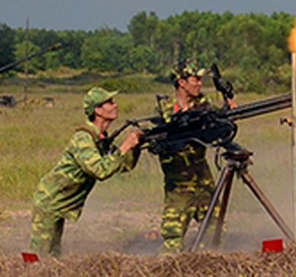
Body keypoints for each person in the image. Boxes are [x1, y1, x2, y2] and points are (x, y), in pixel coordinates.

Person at [28, 87, 142, 257]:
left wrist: (136, 147)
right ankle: (22, 273)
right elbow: (100, 170)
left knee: (52, 255)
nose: (115, 105)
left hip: (60, 202)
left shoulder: (101, 139)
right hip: (50, 200)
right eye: (109, 102)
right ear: (97, 110)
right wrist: (125, 146)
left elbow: (122, 166)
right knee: (37, 256)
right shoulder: (84, 138)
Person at [157, 61, 236, 252]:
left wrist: (228, 112)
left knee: (215, 231)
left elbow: (217, 127)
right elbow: (170, 130)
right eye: (196, 79)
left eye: (201, 79)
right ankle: (166, 276)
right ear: (182, 83)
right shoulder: (166, 109)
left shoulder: (204, 106)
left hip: (202, 179)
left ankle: (204, 268)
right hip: (179, 184)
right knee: (173, 238)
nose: (200, 83)